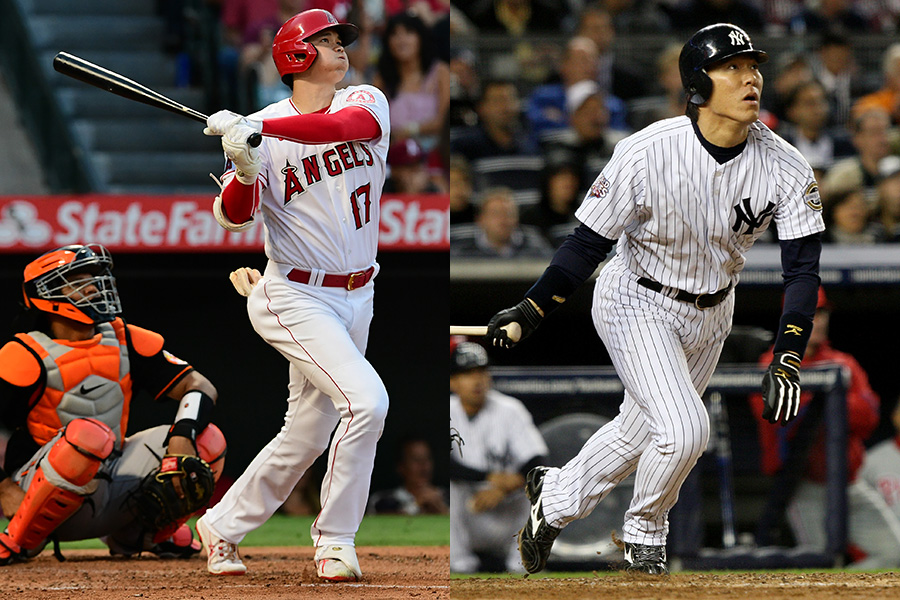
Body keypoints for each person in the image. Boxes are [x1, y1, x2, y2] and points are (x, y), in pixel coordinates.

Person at [485, 24, 825, 575]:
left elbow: (803, 272)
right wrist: (531, 309)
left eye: (753, 66)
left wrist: (789, 352)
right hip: (636, 297)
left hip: (714, 310)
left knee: (640, 432)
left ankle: (556, 497)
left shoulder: (786, 165)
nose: (750, 78)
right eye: (733, 68)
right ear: (698, 81)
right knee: (686, 428)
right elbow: (586, 245)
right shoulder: (645, 151)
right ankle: (645, 534)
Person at [198, 8, 390, 582]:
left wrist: (258, 131)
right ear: (296, 55)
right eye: (326, 40)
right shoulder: (253, 127)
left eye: (338, 40)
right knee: (368, 401)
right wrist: (243, 164)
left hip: (360, 293)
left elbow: (339, 131)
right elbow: (235, 218)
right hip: (294, 294)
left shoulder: (367, 100)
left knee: (306, 432)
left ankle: (221, 526)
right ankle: (335, 540)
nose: (339, 48)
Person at [0, 244, 227, 564]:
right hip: (38, 497)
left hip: (114, 477)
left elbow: (199, 385)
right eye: (77, 280)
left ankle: (143, 535)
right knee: (87, 435)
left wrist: (183, 434)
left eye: (94, 277)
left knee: (209, 440)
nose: (93, 286)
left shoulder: (125, 338)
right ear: (46, 294)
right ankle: (21, 539)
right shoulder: (23, 352)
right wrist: (2, 488)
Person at [750, 288, 900, 568]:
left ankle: (841, 592)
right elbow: (779, 419)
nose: (818, 321)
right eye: (810, 314)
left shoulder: (843, 363)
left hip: (851, 485)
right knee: (820, 564)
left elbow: (868, 417)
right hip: (805, 486)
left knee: (895, 553)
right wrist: (829, 402)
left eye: (821, 313)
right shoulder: (771, 365)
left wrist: (820, 403)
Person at [449, 342, 549, 573]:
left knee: (536, 486)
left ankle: (524, 561)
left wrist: (502, 488)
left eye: (482, 371)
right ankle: (459, 562)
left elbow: (537, 458)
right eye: (468, 373)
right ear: (453, 381)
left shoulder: (510, 409)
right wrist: (490, 478)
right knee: (452, 486)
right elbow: (445, 466)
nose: (477, 380)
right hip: (469, 510)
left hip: (508, 509)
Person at [373, 11, 449, 155]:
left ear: (421, 37)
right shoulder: (381, 78)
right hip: (394, 154)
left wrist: (408, 131)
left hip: (435, 153)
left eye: (408, 32)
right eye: (394, 34)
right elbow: (375, 123)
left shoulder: (440, 72)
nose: (401, 40)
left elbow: (442, 123)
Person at [450, 187, 553, 259]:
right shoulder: (463, 250)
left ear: (517, 218)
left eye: (508, 214)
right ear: (480, 220)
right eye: (496, 214)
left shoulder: (535, 245)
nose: (503, 220)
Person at [821, 107, 893, 206]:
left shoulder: (895, 170)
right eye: (874, 133)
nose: (882, 139)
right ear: (858, 138)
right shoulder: (843, 175)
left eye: (885, 131)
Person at [368, 436, 448, 515]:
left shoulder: (448, 496)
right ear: (401, 467)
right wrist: (416, 505)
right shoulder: (382, 500)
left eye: (427, 458)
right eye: (416, 459)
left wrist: (441, 509)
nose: (424, 465)